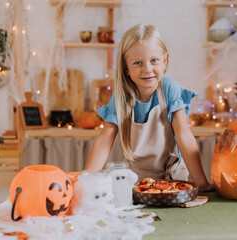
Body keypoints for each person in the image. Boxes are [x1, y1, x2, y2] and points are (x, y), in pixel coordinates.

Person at [85, 24, 213, 192]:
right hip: (135, 183)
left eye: (154, 61)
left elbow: (184, 136)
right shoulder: (121, 96)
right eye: (138, 63)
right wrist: (86, 180)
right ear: (126, 68)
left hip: (174, 179)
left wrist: (201, 183)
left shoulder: (169, 89)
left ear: (165, 60)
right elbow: (104, 140)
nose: (147, 69)